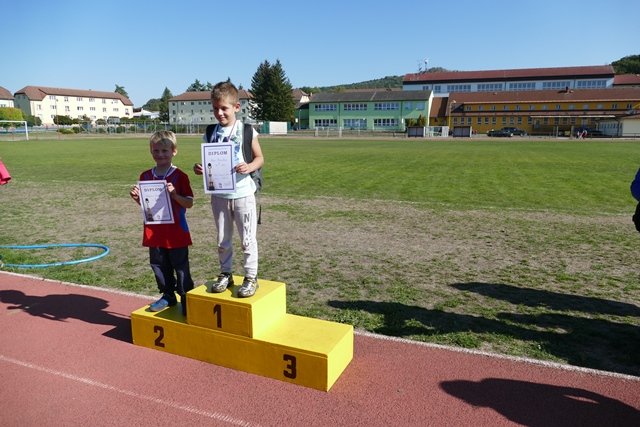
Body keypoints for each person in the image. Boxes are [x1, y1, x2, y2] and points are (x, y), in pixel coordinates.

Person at [194, 81, 264, 298]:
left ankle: (251, 277)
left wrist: (249, 166)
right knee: (223, 239)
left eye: (224, 108)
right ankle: (226, 273)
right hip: (219, 195)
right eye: (215, 108)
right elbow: (210, 162)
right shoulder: (210, 131)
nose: (219, 113)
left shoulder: (246, 130)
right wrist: (201, 169)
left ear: (236, 107)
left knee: (247, 239)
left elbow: (260, 158)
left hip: (243, 193)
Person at [130, 131, 195, 314]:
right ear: (151, 151)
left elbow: (189, 203)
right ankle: (168, 295)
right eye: (156, 150)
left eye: (164, 150)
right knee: (158, 265)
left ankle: (186, 297)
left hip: (176, 231)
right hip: (154, 232)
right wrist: (137, 198)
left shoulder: (180, 176)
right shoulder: (145, 176)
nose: (160, 154)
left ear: (174, 151)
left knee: (180, 266)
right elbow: (148, 206)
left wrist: (174, 195)